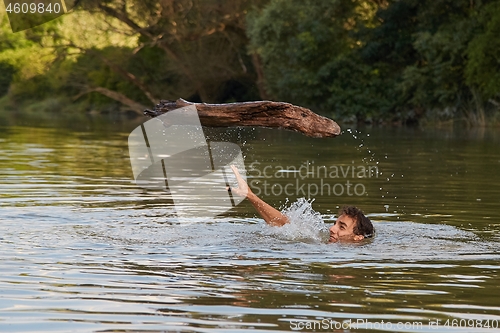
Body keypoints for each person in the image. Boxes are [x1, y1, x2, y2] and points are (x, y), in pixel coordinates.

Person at [228, 165, 374, 243]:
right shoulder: (322, 240)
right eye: (335, 223)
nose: (331, 229)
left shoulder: (350, 257)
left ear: (357, 237)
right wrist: (250, 195)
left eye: (341, 227)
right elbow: (284, 224)